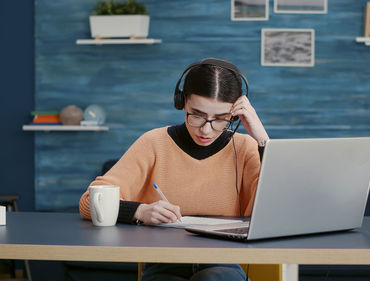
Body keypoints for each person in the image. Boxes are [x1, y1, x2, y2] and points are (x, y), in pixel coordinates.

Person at [79, 58, 269, 281]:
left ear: (234, 115)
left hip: (223, 263)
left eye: (220, 119)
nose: (206, 129)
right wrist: (140, 212)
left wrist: (263, 140)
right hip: (163, 264)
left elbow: (274, 213)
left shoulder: (246, 148)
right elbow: (89, 202)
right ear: (182, 102)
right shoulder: (153, 143)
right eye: (196, 114)